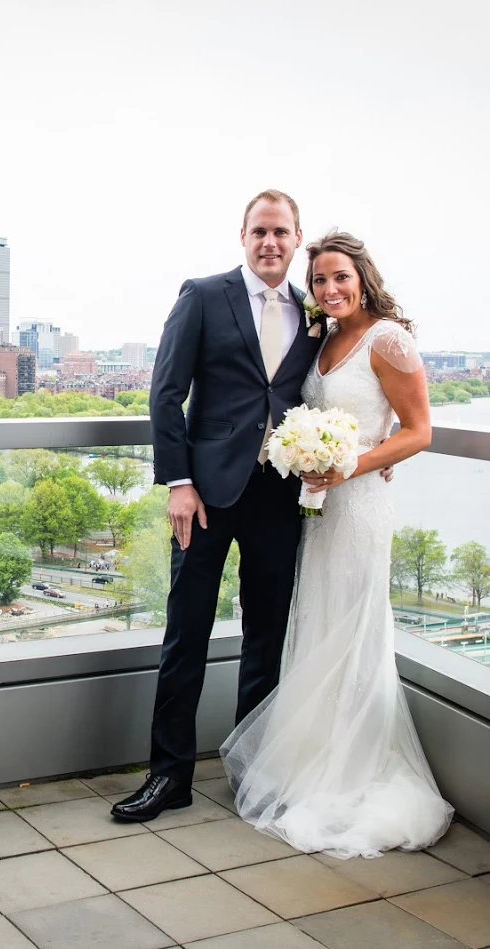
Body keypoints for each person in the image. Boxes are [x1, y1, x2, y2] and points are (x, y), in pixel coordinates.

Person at [220, 232, 452, 857]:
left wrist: (355, 463)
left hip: (360, 509)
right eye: (320, 280)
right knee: (317, 625)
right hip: (318, 511)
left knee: (353, 632)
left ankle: (352, 773)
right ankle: (313, 762)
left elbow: (419, 430)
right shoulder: (323, 337)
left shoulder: (389, 339)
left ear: (362, 276)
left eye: (340, 277)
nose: (329, 289)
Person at [112, 189, 325, 823]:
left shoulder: (315, 313)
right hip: (203, 496)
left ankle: (252, 774)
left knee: (267, 638)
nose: (270, 243)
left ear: (296, 238)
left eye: (281, 233)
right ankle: (168, 776)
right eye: (260, 231)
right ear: (242, 235)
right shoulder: (203, 296)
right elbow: (165, 395)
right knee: (187, 635)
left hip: (278, 497)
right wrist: (178, 481)